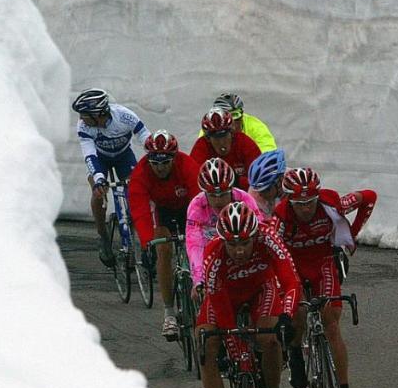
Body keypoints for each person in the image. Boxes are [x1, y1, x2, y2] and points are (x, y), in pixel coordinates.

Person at [270, 167, 377, 388]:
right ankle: (295, 353)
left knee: (332, 325)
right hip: (293, 266)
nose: (306, 208)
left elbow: (369, 196)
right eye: (299, 203)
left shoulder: (332, 203)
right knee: (296, 313)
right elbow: (271, 251)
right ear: (288, 200)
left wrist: (352, 233)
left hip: (323, 263)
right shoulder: (280, 217)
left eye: (310, 202)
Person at [197, 202, 300, 388]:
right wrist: (238, 351)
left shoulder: (268, 239)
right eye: (232, 245)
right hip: (224, 297)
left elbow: (290, 281)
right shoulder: (214, 255)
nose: (239, 250)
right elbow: (220, 309)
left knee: (270, 338)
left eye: (245, 243)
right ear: (223, 241)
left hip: (259, 290)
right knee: (206, 345)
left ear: (255, 236)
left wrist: (286, 316)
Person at [128, 130, 201, 340]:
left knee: (197, 246)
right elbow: (140, 210)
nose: (160, 168)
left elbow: (199, 198)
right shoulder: (141, 173)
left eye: (165, 162)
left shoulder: (187, 165)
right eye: (155, 163)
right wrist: (146, 243)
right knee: (163, 248)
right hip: (164, 213)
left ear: (175, 158)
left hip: (190, 208)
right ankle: (169, 313)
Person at [72, 88, 151, 267]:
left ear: (97, 114)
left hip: (124, 156)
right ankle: (103, 237)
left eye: (84, 115)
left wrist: (155, 152)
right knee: (98, 193)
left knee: (136, 194)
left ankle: (140, 240)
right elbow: (89, 155)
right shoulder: (84, 126)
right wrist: (99, 178)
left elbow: (144, 136)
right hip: (100, 159)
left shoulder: (124, 116)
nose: (81, 119)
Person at [185, 158, 262, 295]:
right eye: (212, 195)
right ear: (204, 192)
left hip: (236, 245)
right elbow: (195, 244)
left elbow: (260, 233)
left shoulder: (245, 199)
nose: (218, 200)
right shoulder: (196, 205)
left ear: (231, 189)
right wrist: (198, 280)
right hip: (208, 247)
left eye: (223, 194)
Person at [189, 108, 260, 186]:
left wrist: (237, 181)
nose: (221, 142)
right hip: (213, 194)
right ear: (208, 138)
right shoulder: (201, 147)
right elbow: (194, 181)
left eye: (225, 136)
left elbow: (259, 179)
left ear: (232, 133)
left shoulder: (244, 143)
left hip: (244, 193)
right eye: (216, 138)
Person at [211, 92, 277, 152]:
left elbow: (268, 152)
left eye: (235, 115)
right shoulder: (210, 128)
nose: (232, 125)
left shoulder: (256, 127)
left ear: (242, 115)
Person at [246, 148, 286, 220]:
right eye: (259, 190)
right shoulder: (253, 194)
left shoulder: (293, 185)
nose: (261, 194)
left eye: (266, 190)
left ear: (280, 180)